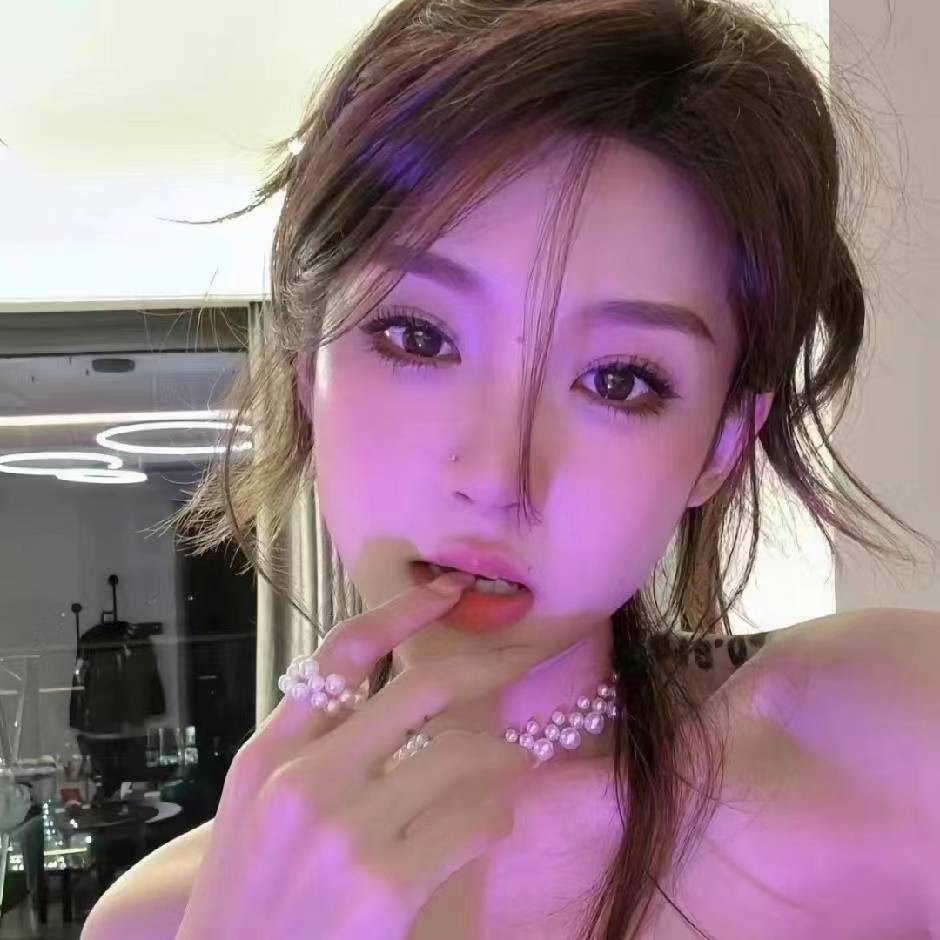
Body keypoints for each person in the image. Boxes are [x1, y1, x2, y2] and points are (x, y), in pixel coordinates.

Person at [81, 1, 940, 938]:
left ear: (723, 444)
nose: (497, 480)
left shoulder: (893, 743)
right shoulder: (165, 919)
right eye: (417, 337)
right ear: (305, 374)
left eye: (619, 380)